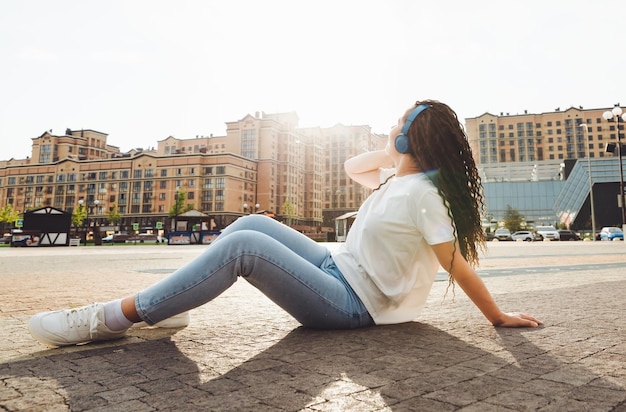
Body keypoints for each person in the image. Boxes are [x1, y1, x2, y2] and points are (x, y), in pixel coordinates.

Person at [28, 100, 542, 347]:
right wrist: (393, 153)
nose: (391, 127)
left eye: (398, 123)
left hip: (355, 304)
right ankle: (168, 308)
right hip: (341, 267)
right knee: (252, 220)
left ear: (411, 140)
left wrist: (497, 317)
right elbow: (352, 168)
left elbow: (457, 264)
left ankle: (110, 318)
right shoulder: (398, 181)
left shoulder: (424, 194)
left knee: (245, 245)